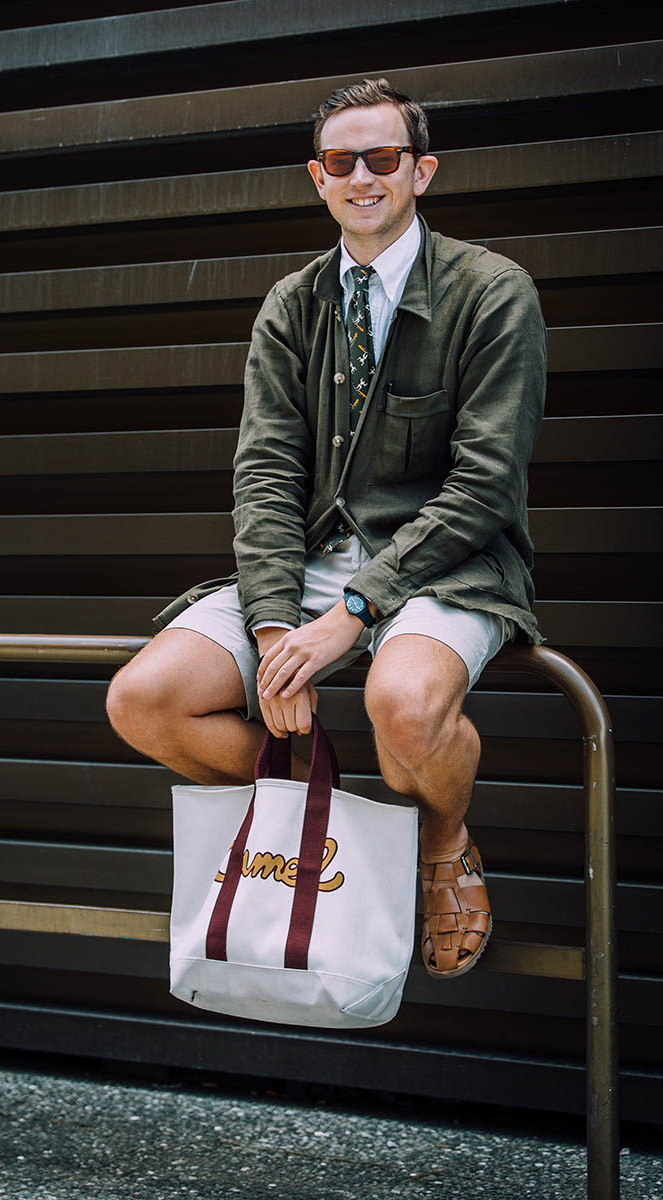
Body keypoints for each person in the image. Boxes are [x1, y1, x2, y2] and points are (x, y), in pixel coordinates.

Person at [106, 78, 547, 979]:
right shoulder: (291, 305)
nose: (363, 177)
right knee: (144, 700)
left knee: (403, 707)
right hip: (306, 566)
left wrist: (355, 609)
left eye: (383, 159)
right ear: (318, 178)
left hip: (443, 566)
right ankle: (348, 833)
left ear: (420, 171)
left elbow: (487, 484)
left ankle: (443, 839)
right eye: (341, 162)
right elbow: (266, 473)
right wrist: (274, 625)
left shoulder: (493, 291)